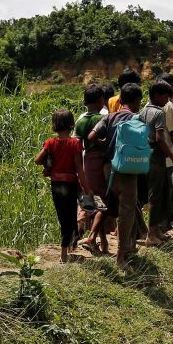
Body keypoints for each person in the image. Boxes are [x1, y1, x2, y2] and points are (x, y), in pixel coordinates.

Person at [89, 83, 145, 262]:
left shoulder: (109, 117)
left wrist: (105, 143)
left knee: (110, 205)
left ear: (120, 100)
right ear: (138, 102)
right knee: (127, 211)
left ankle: (105, 242)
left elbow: (91, 137)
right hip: (129, 169)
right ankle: (121, 256)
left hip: (109, 168)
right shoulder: (138, 118)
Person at [35, 110, 86, 262]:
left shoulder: (51, 143)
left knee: (63, 216)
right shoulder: (75, 143)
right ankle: (64, 253)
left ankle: (69, 245)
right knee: (70, 216)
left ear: (55, 125)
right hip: (70, 184)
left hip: (56, 184)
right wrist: (86, 186)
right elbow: (79, 168)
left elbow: (37, 160)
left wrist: (48, 164)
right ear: (71, 124)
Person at [140, 81, 173, 245]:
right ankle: (151, 234)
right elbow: (160, 138)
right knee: (155, 195)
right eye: (166, 96)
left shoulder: (143, 111)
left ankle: (157, 229)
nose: (168, 100)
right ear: (157, 95)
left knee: (156, 192)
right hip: (156, 155)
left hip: (146, 154)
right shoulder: (158, 113)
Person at [74, 84, 109, 254]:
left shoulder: (80, 121)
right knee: (103, 204)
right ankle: (92, 237)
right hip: (100, 162)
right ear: (100, 101)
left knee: (94, 201)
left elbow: (77, 146)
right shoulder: (103, 119)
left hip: (86, 161)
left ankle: (102, 243)